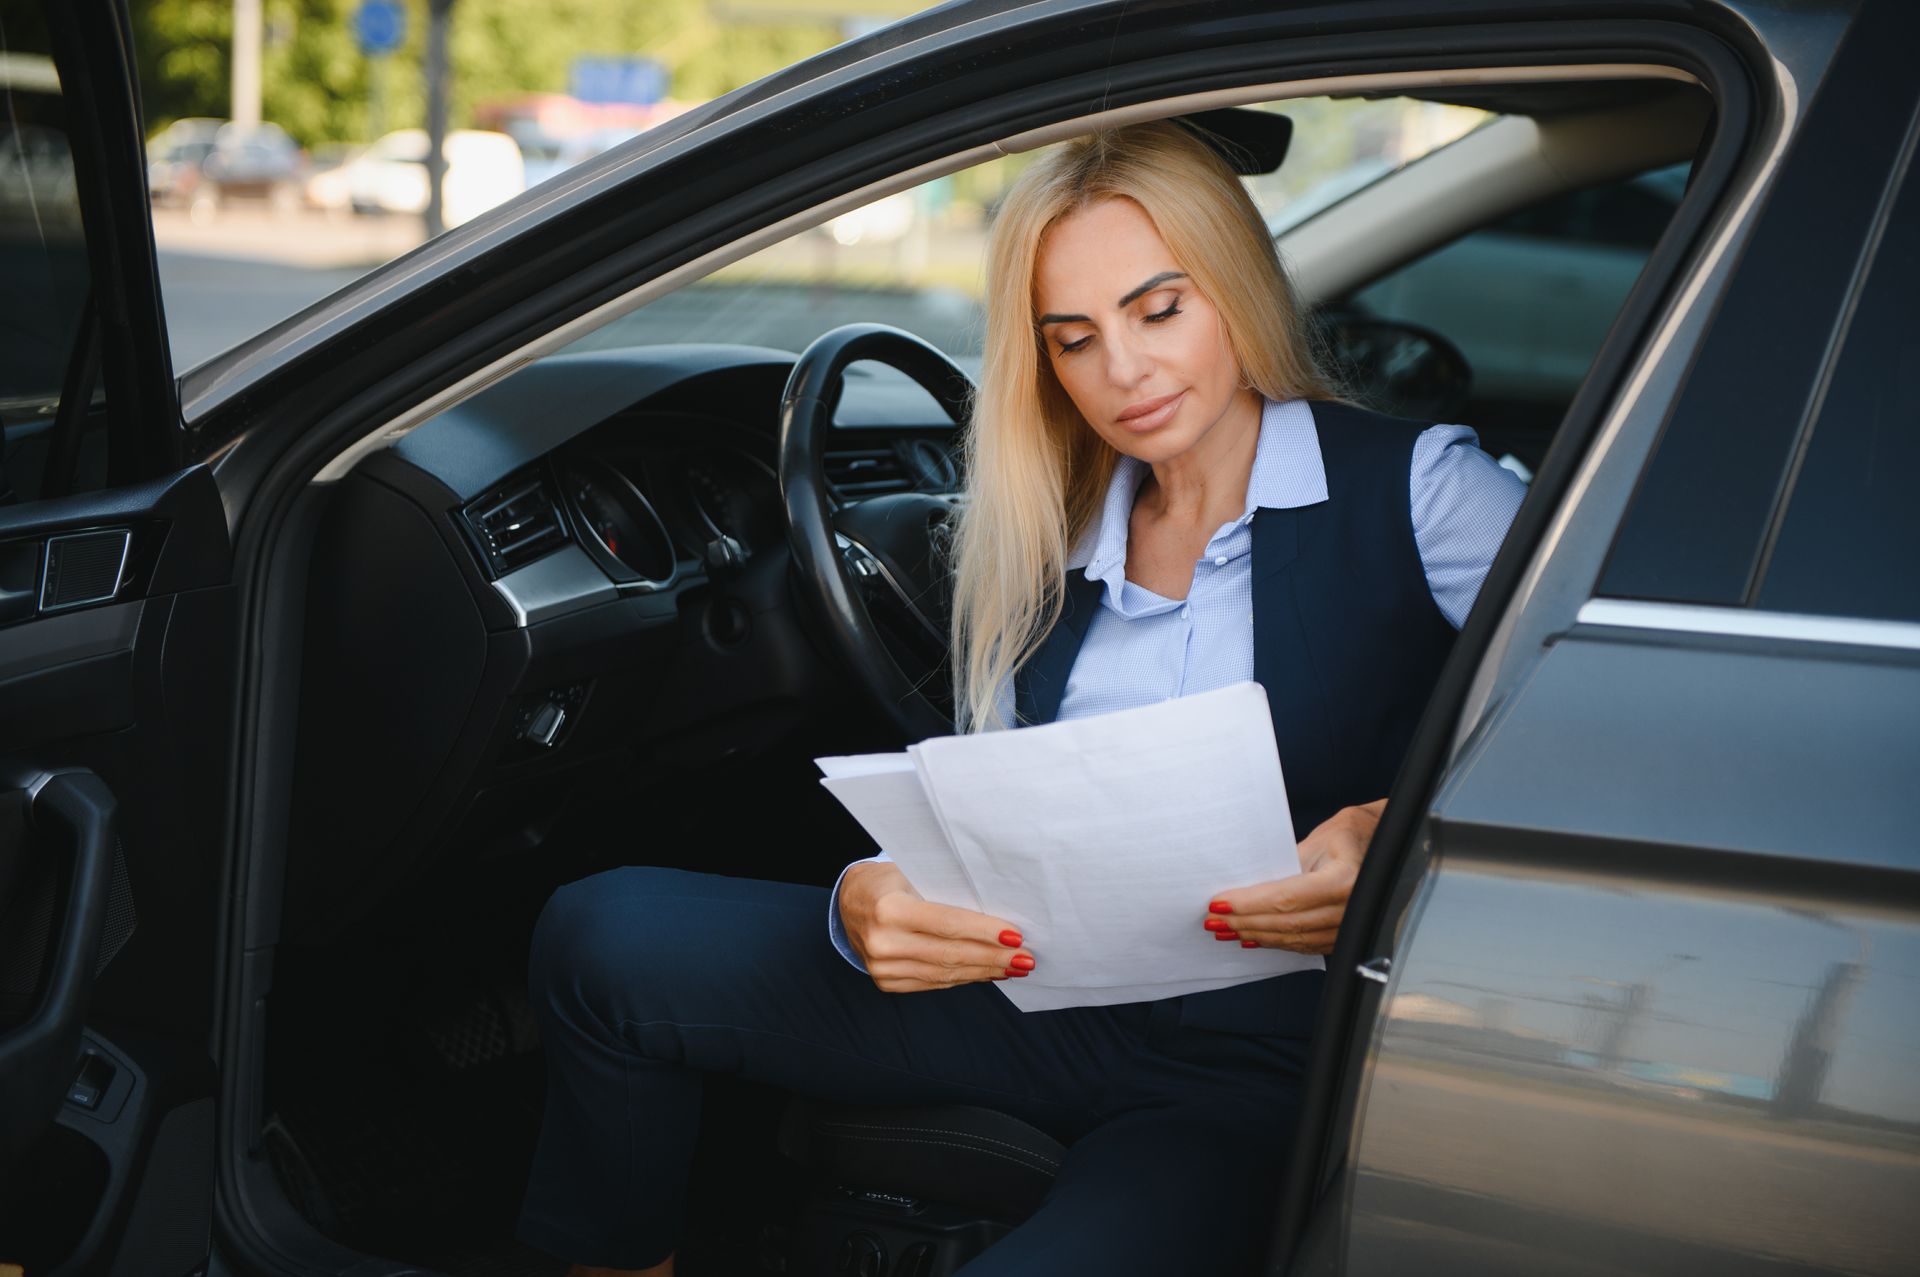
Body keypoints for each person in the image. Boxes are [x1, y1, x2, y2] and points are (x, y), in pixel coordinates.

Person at [515, 118, 1526, 1276]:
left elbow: (1602, 724)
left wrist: (1402, 838)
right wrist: (869, 903)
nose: (1125, 374)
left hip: (1254, 1063)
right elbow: (987, 806)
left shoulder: (1420, 488)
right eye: (1074, 340)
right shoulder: (1044, 525)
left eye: (1161, 309)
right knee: (599, 935)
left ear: (1235, 287)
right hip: (1021, 990)